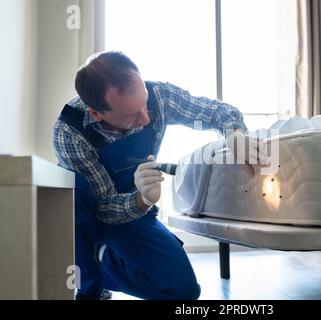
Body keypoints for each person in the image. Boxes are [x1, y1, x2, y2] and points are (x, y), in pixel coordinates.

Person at [52, 51, 264, 300]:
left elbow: (217, 112)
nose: (146, 117)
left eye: (144, 103)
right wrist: (141, 199)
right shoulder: (69, 132)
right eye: (132, 115)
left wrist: (235, 135)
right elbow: (104, 207)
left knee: (183, 291)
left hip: (133, 215)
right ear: (97, 113)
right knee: (72, 190)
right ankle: (90, 284)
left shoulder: (159, 96)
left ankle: (103, 263)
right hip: (89, 215)